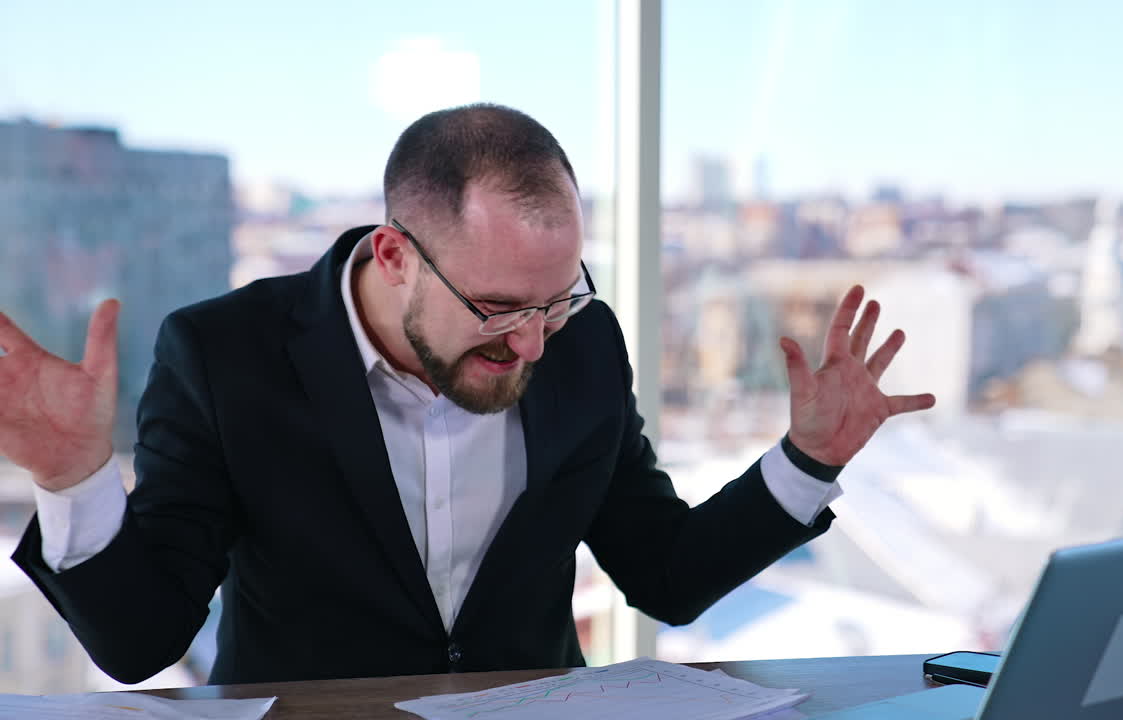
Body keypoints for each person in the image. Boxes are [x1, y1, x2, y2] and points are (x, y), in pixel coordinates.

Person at [0, 104, 935, 685]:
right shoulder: (224, 355)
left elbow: (666, 574)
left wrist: (809, 460)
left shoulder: (584, 345)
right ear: (394, 255)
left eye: (556, 299)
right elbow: (142, 643)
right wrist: (73, 477)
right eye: (496, 309)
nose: (531, 342)